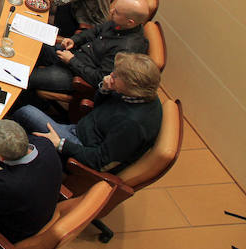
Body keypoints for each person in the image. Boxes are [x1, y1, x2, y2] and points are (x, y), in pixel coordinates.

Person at [14, 52, 163, 174]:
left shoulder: (132, 125)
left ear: (132, 85)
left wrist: (60, 144)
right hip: (82, 130)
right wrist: (104, 90)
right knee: (24, 116)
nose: (111, 75)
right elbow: (100, 109)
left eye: (116, 76)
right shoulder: (137, 95)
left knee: (25, 114)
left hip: (81, 146)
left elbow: (98, 160)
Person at [26, 0, 150, 93]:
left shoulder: (126, 50)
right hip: (73, 54)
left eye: (117, 12)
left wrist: (72, 61)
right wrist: (74, 40)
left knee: (27, 77)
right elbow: (94, 31)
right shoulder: (119, 22)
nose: (111, 11)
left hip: (77, 75)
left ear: (130, 22)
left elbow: (100, 78)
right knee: (32, 43)